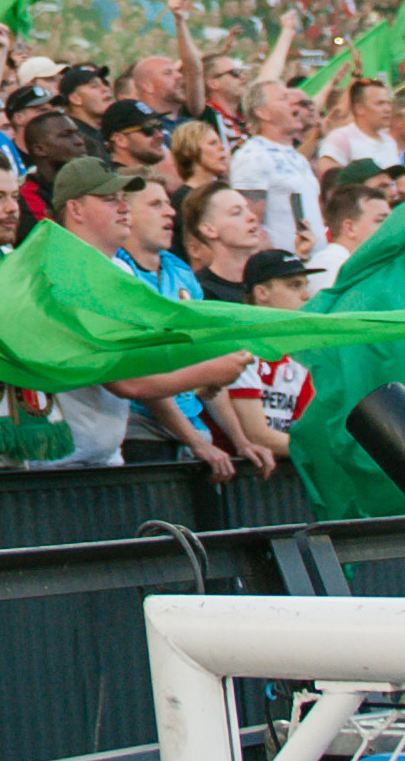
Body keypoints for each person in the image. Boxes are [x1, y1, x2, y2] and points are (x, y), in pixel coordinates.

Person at [40, 157, 252, 472]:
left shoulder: (118, 269)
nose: (123, 207)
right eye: (110, 200)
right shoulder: (65, 271)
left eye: (124, 200)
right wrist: (208, 372)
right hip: (59, 466)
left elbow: (143, 360)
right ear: (76, 210)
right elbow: (128, 382)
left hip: (105, 455)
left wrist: (220, 434)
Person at [221, 250, 319, 460]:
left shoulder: (301, 357)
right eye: (294, 285)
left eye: (305, 284)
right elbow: (258, 436)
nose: (306, 295)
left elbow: (304, 429)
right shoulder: (240, 346)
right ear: (261, 293)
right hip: (231, 480)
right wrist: (324, 452)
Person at [228, 81, 324, 259]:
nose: (293, 104)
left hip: (315, 264)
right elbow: (250, 223)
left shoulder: (298, 158)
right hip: (287, 270)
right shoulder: (252, 156)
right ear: (262, 113)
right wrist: (278, 268)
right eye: (283, 99)